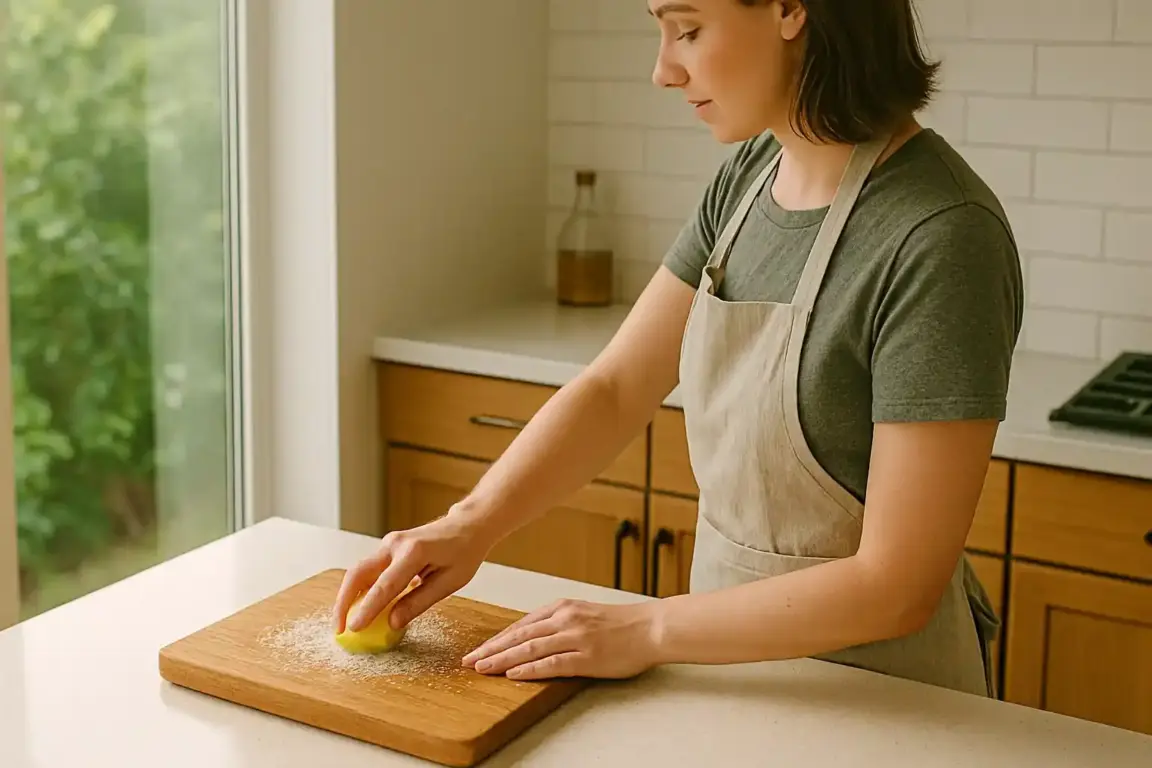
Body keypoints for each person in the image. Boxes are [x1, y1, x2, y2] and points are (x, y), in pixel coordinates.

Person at [332, 0, 1023, 698]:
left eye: (687, 30)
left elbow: (895, 585)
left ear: (791, 8)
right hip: (726, 680)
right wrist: (469, 525)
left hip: (887, 705)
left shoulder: (942, 235)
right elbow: (617, 388)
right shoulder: (750, 177)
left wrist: (647, 629)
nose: (664, 71)